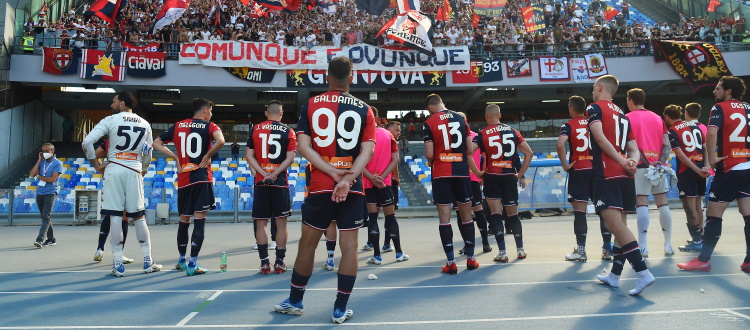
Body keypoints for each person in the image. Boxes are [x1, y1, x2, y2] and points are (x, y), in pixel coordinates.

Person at [273, 57, 376, 324]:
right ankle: (339, 309)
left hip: (320, 184)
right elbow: (368, 149)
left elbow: (304, 148)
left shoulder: (310, 104)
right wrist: (348, 177)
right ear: (351, 78)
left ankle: (295, 300)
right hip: (352, 187)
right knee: (350, 246)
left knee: (308, 244)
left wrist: (331, 172)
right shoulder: (365, 109)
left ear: (326, 76)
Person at [82, 91, 162, 277]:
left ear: (122, 103)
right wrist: (142, 170)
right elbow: (148, 153)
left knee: (116, 217)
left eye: (114, 102)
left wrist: (96, 164)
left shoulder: (111, 120)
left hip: (114, 168)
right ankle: (147, 261)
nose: (111, 105)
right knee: (139, 217)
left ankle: (118, 265)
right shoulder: (144, 123)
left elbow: (87, 142)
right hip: (134, 170)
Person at [588, 75, 654, 296]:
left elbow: (599, 137)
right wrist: (630, 160)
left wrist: (621, 160)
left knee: (615, 225)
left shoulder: (595, 108)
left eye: (593, 88)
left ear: (599, 87)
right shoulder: (622, 114)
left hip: (607, 172)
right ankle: (615, 275)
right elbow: (633, 147)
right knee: (621, 225)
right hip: (625, 175)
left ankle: (642, 272)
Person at [678, 76, 750, 273]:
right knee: (748, 213)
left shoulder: (720, 108)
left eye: (717, 88)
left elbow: (711, 133)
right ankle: (749, 261)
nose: (714, 91)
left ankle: (703, 260)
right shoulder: (748, 108)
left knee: (713, 213)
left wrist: (711, 159)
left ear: (728, 91)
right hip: (747, 166)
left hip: (730, 167)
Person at [152, 97, 224, 276]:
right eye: (211, 111)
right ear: (206, 110)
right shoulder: (210, 126)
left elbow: (155, 142)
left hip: (184, 179)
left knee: (184, 221)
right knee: (199, 222)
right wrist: (208, 155)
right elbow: (221, 141)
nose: (211, 115)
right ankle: (193, 264)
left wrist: (175, 157)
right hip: (201, 177)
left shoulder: (178, 125)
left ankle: (181, 260)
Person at [423, 93, 480, 274]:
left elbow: (430, 154)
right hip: (462, 172)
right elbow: (470, 149)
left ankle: (451, 262)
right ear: (442, 103)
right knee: (466, 215)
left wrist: (433, 159)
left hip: (441, 172)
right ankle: (471, 259)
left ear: (430, 107)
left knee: (445, 218)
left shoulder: (429, 123)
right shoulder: (461, 119)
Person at [471, 104, 533, 262]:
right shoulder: (513, 131)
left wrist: (478, 173)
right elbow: (529, 153)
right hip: (508, 176)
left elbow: (468, 153)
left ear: (486, 117)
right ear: (500, 115)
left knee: (496, 214)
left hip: (492, 176)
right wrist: (519, 174)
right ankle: (520, 250)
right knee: (513, 214)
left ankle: (503, 252)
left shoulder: (482, 134)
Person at [558, 96, 613, 262]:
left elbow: (560, 144)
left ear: (571, 108)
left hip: (579, 169)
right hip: (597, 169)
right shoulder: (595, 123)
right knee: (603, 211)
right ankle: (607, 250)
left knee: (580, 212)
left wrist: (565, 165)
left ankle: (581, 251)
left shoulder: (568, 125)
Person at [246, 100, 296, 274]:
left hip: (261, 182)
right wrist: (275, 173)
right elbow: (290, 158)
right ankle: (280, 262)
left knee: (261, 223)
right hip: (280, 183)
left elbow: (249, 155)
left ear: (266, 113)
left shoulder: (255, 129)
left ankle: (264, 262)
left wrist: (263, 173)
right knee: (281, 224)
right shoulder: (289, 131)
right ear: (281, 114)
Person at [625, 88, 674, 257]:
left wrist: (646, 162)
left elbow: (631, 144)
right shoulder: (658, 118)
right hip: (659, 166)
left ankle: (643, 246)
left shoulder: (627, 118)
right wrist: (659, 162)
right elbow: (667, 144)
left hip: (639, 166)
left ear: (630, 100)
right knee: (663, 203)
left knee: (642, 203)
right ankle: (668, 244)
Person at [363, 107, 408, 265]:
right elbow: (395, 159)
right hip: (385, 184)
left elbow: (358, 163)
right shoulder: (387, 134)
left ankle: (376, 255)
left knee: (373, 218)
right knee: (391, 217)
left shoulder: (361, 136)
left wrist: (372, 178)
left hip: (369, 184)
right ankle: (399, 253)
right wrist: (381, 177)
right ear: (377, 117)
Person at [663, 105, 710, 253]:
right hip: (702, 168)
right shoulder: (694, 126)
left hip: (688, 170)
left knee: (689, 206)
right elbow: (705, 147)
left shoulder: (672, 131)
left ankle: (696, 240)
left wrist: (695, 168)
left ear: (667, 117)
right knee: (698, 204)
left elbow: (680, 154)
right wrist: (705, 167)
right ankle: (700, 236)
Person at [456, 112, 491, 255]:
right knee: (460, 213)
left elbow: (486, 155)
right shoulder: (454, 138)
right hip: (458, 178)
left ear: (465, 120)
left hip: (472, 179)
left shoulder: (476, 137)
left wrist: (482, 173)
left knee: (478, 210)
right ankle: (467, 244)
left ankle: (485, 242)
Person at [92, 142, 134, 264]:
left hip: (112, 177)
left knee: (110, 213)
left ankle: (100, 248)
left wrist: (101, 167)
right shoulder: (135, 136)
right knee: (124, 216)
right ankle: (119, 254)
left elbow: (93, 155)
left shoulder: (110, 140)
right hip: (128, 177)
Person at [30, 143, 62, 248]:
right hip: (40, 192)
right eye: (43, 151)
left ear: (52, 151)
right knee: (45, 217)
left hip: (50, 192)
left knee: (46, 216)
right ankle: (51, 239)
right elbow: (32, 174)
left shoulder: (57, 163)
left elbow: (52, 179)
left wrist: (39, 176)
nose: (44, 153)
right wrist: (39, 160)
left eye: (47, 151)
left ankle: (40, 240)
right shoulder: (42, 162)